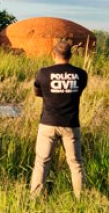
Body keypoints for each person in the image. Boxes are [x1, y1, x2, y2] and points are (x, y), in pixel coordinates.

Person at [30, 41, 88, 198]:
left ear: (53, 54)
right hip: (71, 124)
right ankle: (80, 200)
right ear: (70, 55)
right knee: (76, 164)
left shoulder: (43, 73)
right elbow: (78, 92)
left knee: (42, 163)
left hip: (48, 123)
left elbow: (37, 92)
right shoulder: (81, 74)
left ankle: (34, 199)